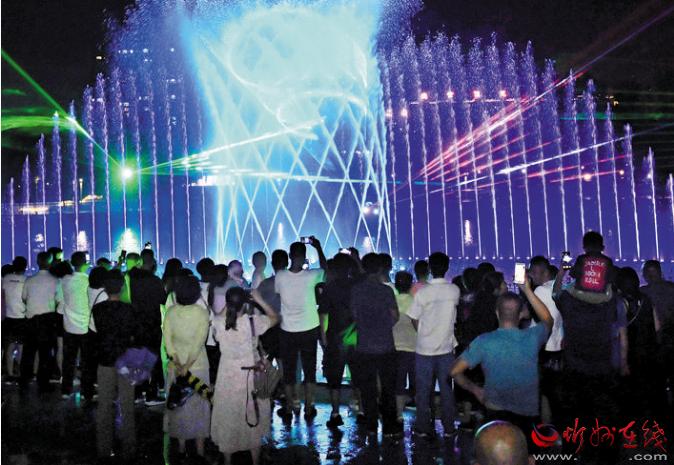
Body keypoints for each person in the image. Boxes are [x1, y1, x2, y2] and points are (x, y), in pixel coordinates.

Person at [451, 276, 553, 438]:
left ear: (497, 313)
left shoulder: (484, 341)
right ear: (521, 314)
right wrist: (527, 290)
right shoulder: (533, 337)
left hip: (495, 411)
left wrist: (475, 389)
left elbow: (455, 371)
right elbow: (547, 319)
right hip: (527, 412)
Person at [211, 287, 280, 465]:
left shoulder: (219, 322)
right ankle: (255, 460)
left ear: (227, 304)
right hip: (249, 377)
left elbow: (218, 318)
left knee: (228, 415)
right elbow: (276, 318)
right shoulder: (252, 322)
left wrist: (229, 304)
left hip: (227, 377)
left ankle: (227, 460)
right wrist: (259, 300)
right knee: (252, 414)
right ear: (245, 303)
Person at [408, 252, 460, 438]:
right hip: (446, 348)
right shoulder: (454, 290)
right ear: (447, 268)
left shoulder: (423, 292)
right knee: (446, 390)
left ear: (429, 268)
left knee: (423, 391)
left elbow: (413, 317)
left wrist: (423, 332)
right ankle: (449, 428)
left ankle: (423, 427)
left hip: (424, 349)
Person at [274, 237, 327, 420]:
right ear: (304, 257)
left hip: (287, 330)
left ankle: (290, 406)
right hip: (309, 328)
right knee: (309, 371)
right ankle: (309, 406)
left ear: (290, 256)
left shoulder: (280, 276)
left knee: (289, 372)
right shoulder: (312, 275)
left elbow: (279, 294)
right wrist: (318, 247)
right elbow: (326, 268)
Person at [349, 253, 399, 436]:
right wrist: (384, 326)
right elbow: (395, 316)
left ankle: (371, 425)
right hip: (386, 346)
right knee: (388, 388)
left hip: (364, 346)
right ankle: (389, 427)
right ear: (380, 269)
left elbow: (354, 315)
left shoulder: (356, 290)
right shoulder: (386, 291)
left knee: (368, 388)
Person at [91, 269, 139, 462]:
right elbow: (135, 335)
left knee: (104, 405)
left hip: (105, 359)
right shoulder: (130, 309)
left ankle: (103, 448)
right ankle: (129, 447)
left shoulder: (97, 309)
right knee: (127, 405)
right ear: (121, 287)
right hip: (126, 360)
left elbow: (95, 333)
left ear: (105, 288)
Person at [163, 275, 211, 460]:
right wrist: (188, 366)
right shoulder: (201, 313)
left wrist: (178, 363)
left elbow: (168, 341)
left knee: (179, 407)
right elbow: (198, 343)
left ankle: (181, 447)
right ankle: (199, 450)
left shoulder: (171, 312)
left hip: (176, 367)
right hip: (198, 367)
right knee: (199, 408)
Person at [318, 253, 358, 428]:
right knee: (357, 375)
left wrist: (323, 336)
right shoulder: (356, 286)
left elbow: (323, 314)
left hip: (335, 337)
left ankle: (335, 413)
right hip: (355, 337)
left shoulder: (330, 288)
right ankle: (361, 409)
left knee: (334, 379)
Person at [615, 267, 661, 418]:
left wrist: (622, 361)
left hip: (629, 354)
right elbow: (657, 326)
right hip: (648, 351)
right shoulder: (646, 299)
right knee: (647, 392)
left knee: (629, 394)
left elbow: (620, 334)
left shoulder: (619, 302)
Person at [127, 253, 168, 405]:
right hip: (151, 324)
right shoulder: (155, 280)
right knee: (153, 359)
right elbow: (163, 299)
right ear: (152, 263)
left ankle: (137, 392)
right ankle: (151, 394)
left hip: (135, 325)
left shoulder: (130, 278)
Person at [20, 251, 62, 393]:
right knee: (45, 354)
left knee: (28, 352)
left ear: (37, 262)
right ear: (50, 263)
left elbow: (24, 298)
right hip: (48, 321)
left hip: (31, 321)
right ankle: (43, 382)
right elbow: (58, 300)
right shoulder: (56, 281)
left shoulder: (29, 280)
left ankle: (24, 380)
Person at [528, 256, 564, 422]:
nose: (531, 275)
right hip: (558, 346)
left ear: (543, 272)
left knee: (543, 392)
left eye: (533, 272)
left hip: (544, 348)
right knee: (554, 391)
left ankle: (545, 427)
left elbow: (534, 319)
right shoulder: (559, 288)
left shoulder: (540, 291)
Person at [60, 251, 96, 400]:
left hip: (69, 325)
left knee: (69, 360)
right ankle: (86, 392)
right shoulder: (88, 281)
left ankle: (66, 390)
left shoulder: (65, 280)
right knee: (87, 361)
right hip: (85, 325)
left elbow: (60, 300)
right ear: (85, 263)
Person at [392, 271, 417, 423]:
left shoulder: (391, 301)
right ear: (410, 285)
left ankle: (399, 414)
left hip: (395, 347)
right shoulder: (415, 302)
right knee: (416, 382)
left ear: (396, 285)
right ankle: (420, 412)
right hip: (414, 348)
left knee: (398, 383)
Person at [256, 250, 287, 370]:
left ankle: (275, 379)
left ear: (272, 264)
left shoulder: (265, 284)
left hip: (270, 326)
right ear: (287, 263)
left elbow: (257, 304)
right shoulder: (295, 282)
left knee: (271, 358)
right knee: (289, 360)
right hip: (290, 325)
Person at [568, 231, 616, 303]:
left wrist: (568, 266)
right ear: (602, 248)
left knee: (568, 288)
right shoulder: (608, 261)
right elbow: (611, 279)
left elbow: (573, 274)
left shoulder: (581, 259)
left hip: (581, 296)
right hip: (602, 297)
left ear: (584, 248)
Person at [2, 257, 27, 379]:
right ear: (25, 267)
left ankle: (10, 373)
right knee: (21, 347)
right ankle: (20, 372)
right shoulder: (26, 280)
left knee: (10, 347)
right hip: (22, 317)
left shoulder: (6, 279)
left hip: (8, 317)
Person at [206, 264, 228, 384]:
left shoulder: (210, 289)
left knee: (213, 363)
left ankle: (212, 386)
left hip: (211, 331)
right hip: (224, 329)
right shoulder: (229, 289)